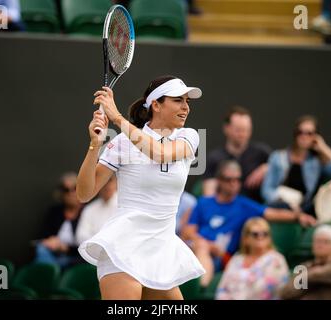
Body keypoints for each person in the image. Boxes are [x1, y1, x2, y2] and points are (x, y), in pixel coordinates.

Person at [76, 75, 206, 300]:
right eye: (178, 100)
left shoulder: (189, 136)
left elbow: (159, 153)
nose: (185, 107)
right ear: (156, 104)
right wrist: (94, 146)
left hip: (161, 251)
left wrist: (116, 117)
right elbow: (84, 193)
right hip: (123, 246)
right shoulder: (122, 143)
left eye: (187, 102)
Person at [182, 160, 316, 287]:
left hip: (221, 256)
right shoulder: (204, 202)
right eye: (229, 180)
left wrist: (298, 216)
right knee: (196, 247)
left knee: (201, 248)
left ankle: (201, 287)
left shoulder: (243, 205)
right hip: (196, 248)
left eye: (237, 180)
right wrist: (206, 244)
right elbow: (188, 231)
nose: (233, 183)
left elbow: (272, 213)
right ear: (219, 181)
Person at [261, 115, 331, 215]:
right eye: (300, 132)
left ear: (315, 137)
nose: (304, 136)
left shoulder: (316, 162)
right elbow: (266, 190)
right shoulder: (278, 157)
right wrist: (286, 201)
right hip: (279, 206)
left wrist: (324, 148)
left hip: (305, 209)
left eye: (309, 133)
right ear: (295, 134)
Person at [203, 106, 271, 202]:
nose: (243, 134)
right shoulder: (214, 158)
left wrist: (267, 168)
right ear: (226, 128)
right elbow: (209, 196)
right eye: (238, 130)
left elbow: (281, 171)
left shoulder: (262, 153)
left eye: (246, 130)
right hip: (226, 211)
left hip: (255, 210)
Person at [215, 217, 289, 300]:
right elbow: (223, 288)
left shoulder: (276, 260)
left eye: (265, 233)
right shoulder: (237, 259)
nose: (260, 237)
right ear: (246, 238)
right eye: (255, 234)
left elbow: (271, 290)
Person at [34, 172, 85, 270]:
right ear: (61, 193)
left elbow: (88, 246)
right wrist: (50, 241)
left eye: (74, 188)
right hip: (53, 253)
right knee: (41, 249)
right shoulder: (55, 211)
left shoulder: (88, 212)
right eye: (66, 190)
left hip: (75, 257)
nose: (71, 193)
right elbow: (43, 236)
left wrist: (65, 248)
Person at [280, 224, 331, 300]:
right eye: (318, 241)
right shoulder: (304, 266)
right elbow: (286, 293)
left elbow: (327, 273)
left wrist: (305, 278)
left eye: (326, 242)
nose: (320, 245)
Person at [76, 176, 118, 244]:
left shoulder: (124, 206)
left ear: (116, 183)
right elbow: (81, 236)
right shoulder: (89, 209)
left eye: (109, 181)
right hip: (94, 251)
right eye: (103, 181)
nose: (106, 185)